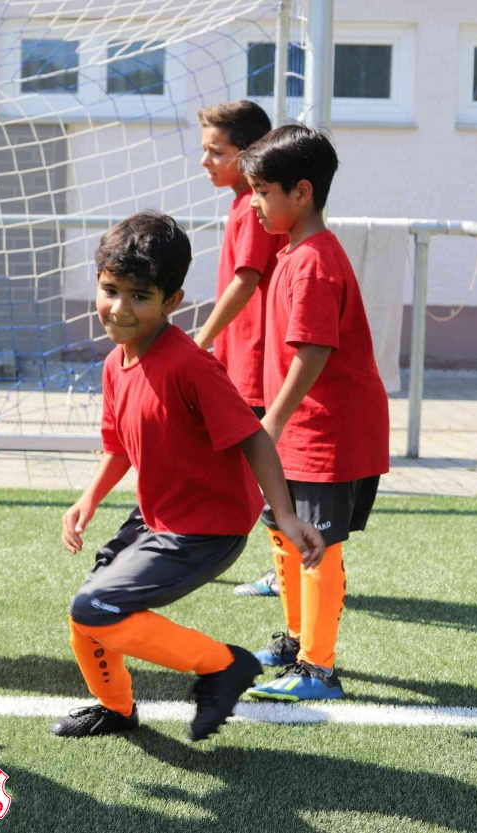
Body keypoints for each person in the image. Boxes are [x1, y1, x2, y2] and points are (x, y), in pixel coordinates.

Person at [53, 211, 323, 742]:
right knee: (89, 607)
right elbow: (119, 446)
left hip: (206, 528)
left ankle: (225, 665)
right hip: (158, 517)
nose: (119, 308)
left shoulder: (190, 365)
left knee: (95, 607)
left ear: (171, 301)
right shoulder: (115, 364)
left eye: (139, 296)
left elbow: (254, 437)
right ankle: (116, 708)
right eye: (110, 290)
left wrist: (286, 517)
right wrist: (88, 500)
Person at [239, 125, 390, 701]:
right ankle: (296, 642)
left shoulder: (313, 262)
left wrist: (270, 422)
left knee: (314, 544)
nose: (253, 204)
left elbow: (314, 350)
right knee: (283, 531)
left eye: (262, 192)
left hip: (328, 434)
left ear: (301, 192)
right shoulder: (293, 254)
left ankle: (318, 670)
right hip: (297, 434)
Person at [193, 100, 291, 599]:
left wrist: (201, 338)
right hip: (239, 362)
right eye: (205, 150)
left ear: (247, 152)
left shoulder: (254, 207)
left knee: (268, 471)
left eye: (216, 151)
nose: (205, 161)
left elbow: (246, 280)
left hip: (256, 365)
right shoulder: (241, 203)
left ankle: (286, 569)